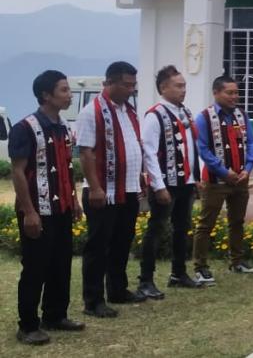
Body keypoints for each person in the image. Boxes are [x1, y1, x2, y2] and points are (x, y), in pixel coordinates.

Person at [9, 71, 85, 345]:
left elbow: (66, 167)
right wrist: (29, 212)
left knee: (60, 264)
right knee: (35, 267)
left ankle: (55, 314)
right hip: (37, 209)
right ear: (46, 95)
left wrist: (73, 200)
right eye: (64, 90)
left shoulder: (63, 127)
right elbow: (18, 172)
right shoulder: (25, 128)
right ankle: (28, 325)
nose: (69, 95)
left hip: (61, 207)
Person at [77, 61, 149, 316]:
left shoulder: (127, 110)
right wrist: (95, 188)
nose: (131, 89)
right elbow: (85, 153)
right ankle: (93, 300)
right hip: (102, 190)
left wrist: (140, 177)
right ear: (110, 83)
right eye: (126, 85)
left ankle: (118, 289)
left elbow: (132, 144)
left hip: (127, 188)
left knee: (122, 241)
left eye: (133, 85)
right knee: (98, 246)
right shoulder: (92, 111)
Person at [138, 66, 202, 299]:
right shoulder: (155, 115)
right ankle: (145, 280)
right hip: (166, 182)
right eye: (178, 86)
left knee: (182, 228)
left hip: (185, 181)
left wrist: (196, 178)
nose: (183, 90)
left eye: (184, 85)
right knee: (156, 230)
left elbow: (190, 149)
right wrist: (159, 185)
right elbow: (149, 151)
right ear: (164, 88)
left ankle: (178, 273)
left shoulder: (184, 112)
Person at [192, 75, 253, 284]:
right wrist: (223, 171)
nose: (234, 97)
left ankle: (237, 261)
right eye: (229, 93)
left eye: (236, 92)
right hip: (215, 181)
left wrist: (248, 168)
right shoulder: (204, 117)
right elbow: (202, 148)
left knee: (237, 222)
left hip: (241, 179)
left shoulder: (242, 115)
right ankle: (200, 267)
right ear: (216, 93)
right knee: (206, 224)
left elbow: (251, 143)